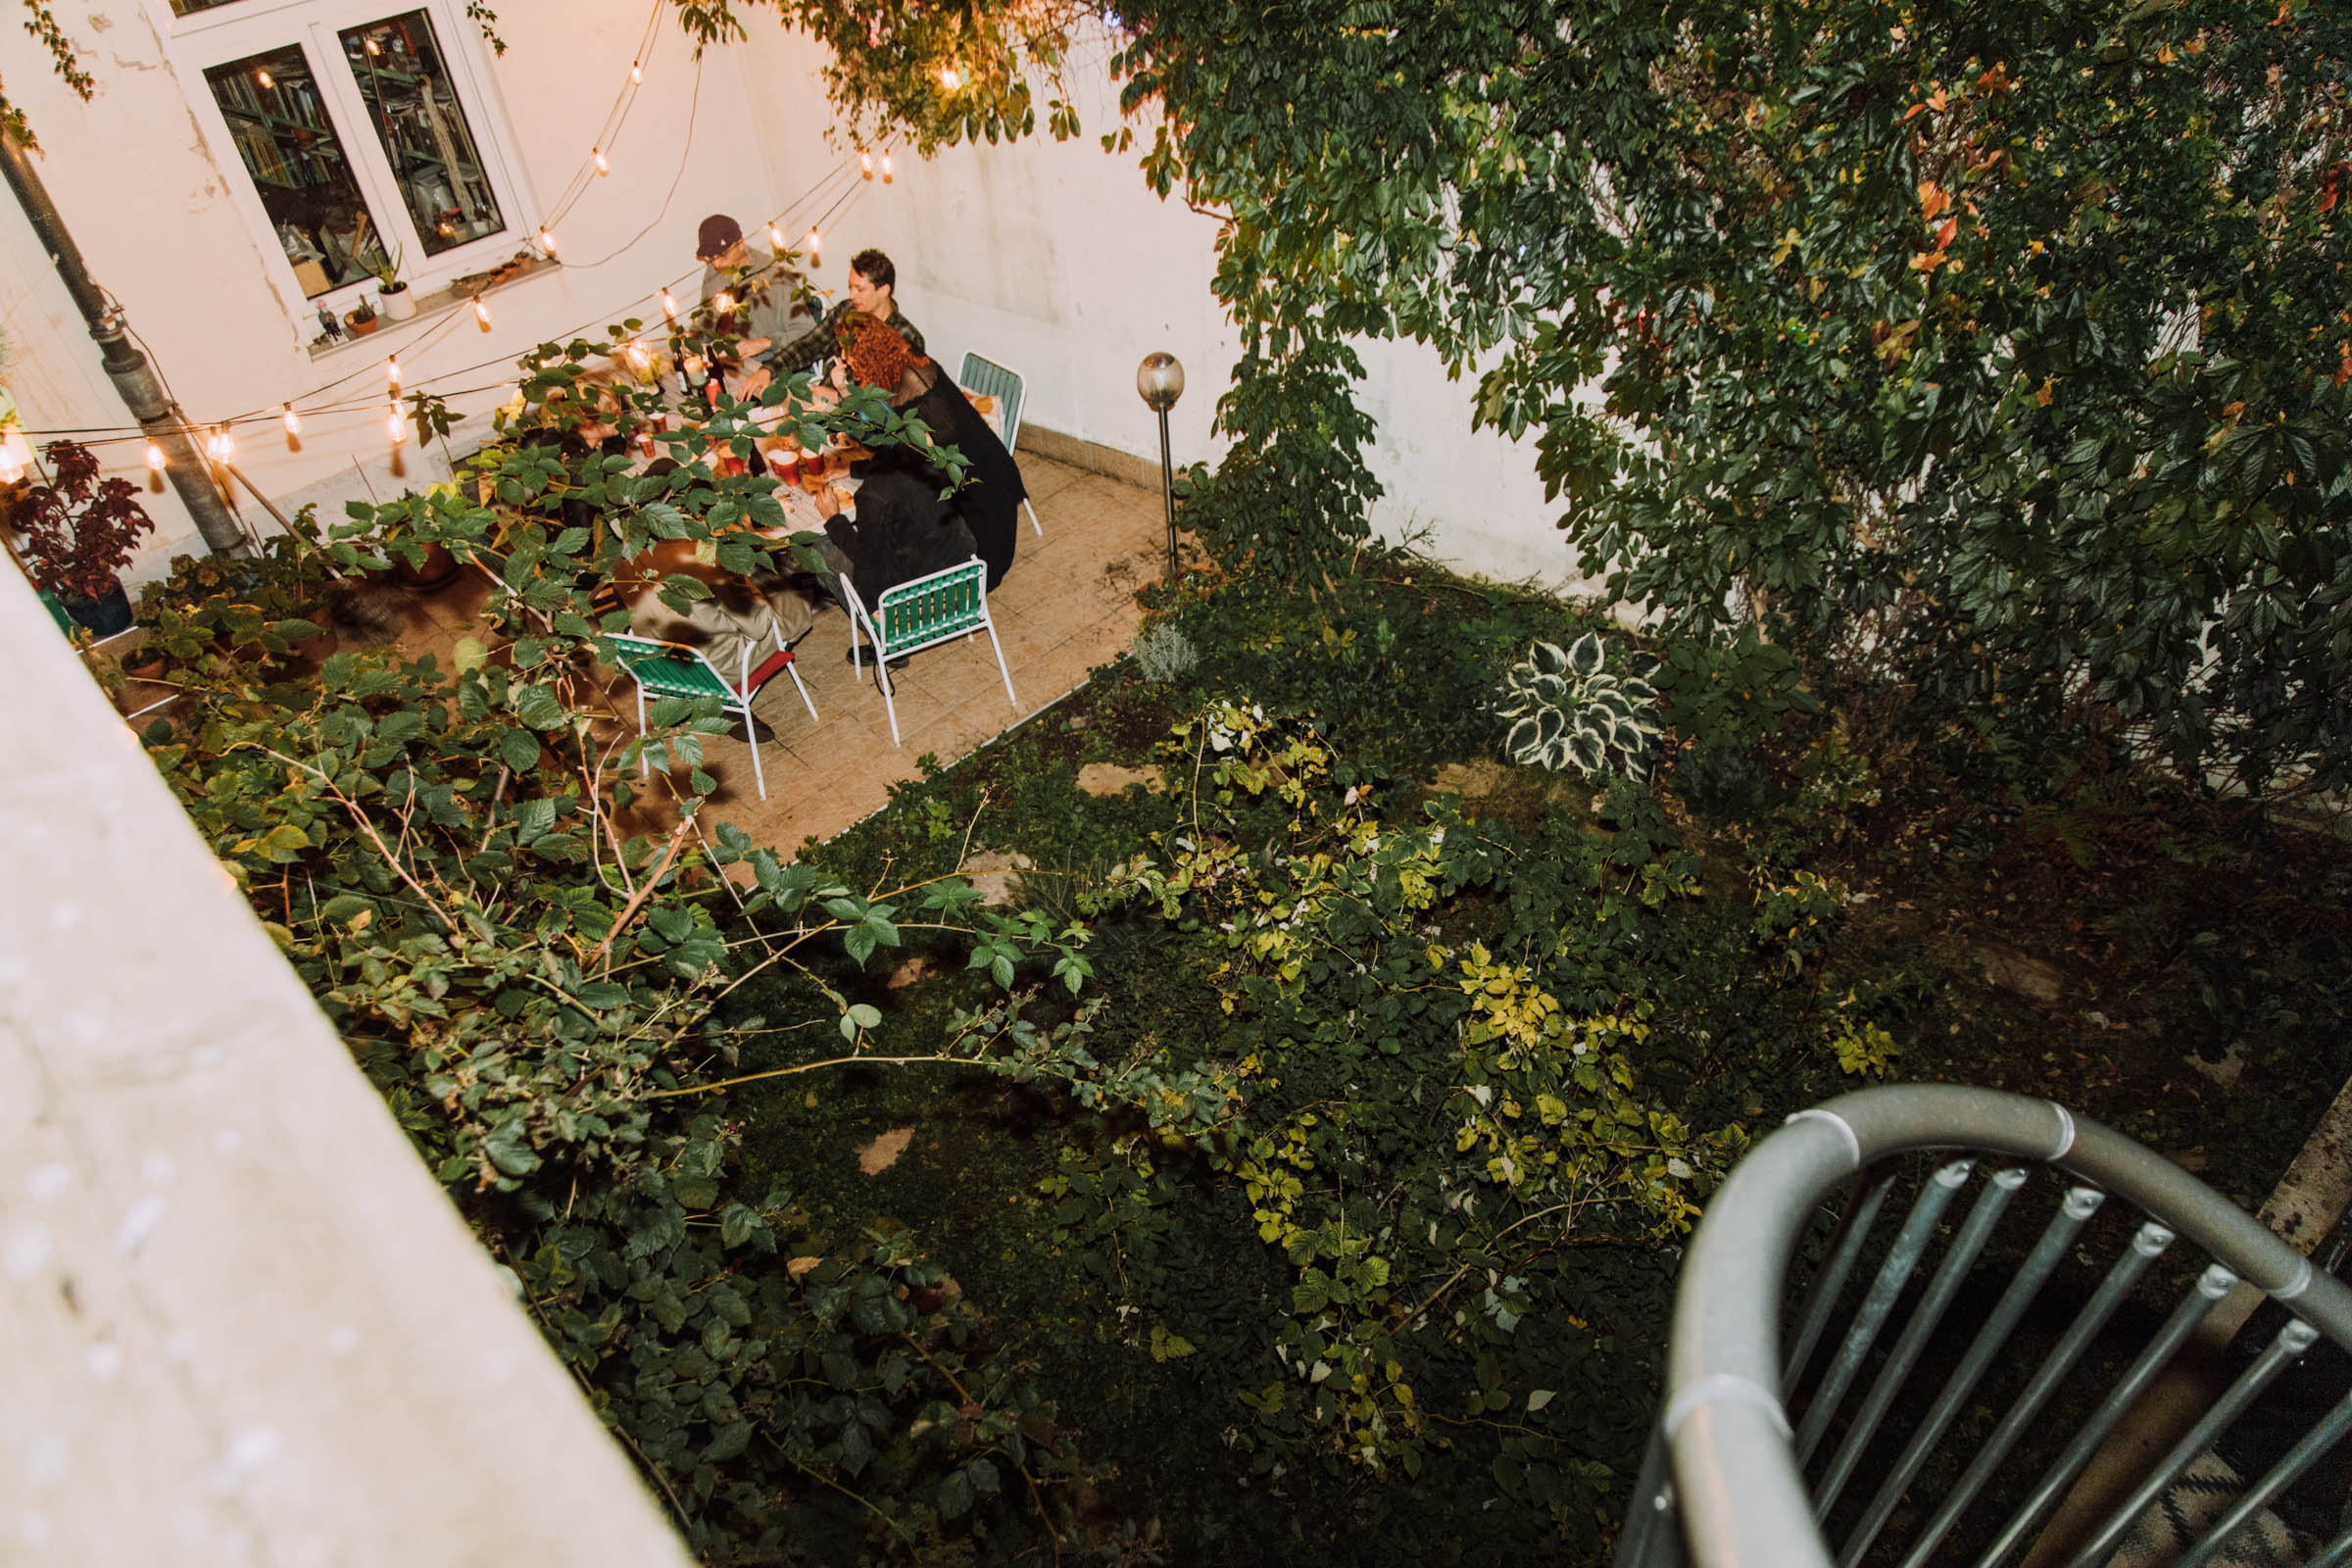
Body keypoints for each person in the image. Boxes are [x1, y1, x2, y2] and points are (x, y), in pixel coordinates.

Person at [829, 316, 1025, 592]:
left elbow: (921, 445)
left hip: (976, 488)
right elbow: (893, 441)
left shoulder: (911, 376)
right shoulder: (888, 371)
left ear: (866, 350)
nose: (843, 357)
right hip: (951, 473)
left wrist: (847, 397)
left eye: (846, 350)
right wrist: (844, 393)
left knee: (892, 523)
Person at [771, 248, 925, 376]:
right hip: (823, 395)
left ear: (884, 290)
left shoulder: (906, 337)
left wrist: (839, 395)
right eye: (850, 287)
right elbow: (810, 345)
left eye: (860, 289)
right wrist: (770, 369)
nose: (852, 295)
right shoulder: (847, 310)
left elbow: (891, 395)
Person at [693, 214, 814, 371]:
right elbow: (707, 320)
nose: (716, 264)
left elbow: (807, 334)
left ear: (740, 244)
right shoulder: (714, 271)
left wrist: (766, 342)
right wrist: (693, 337)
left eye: (722, 254)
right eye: (710, 257)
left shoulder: (775, 276)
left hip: (772, 363)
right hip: (731, 361)